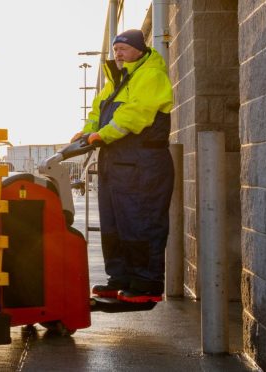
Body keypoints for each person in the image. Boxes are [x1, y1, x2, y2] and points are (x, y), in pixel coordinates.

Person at [71, 29, 174, 303]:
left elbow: (135, 114)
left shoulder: (150, 75)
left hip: (142, 164)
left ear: (139, 50)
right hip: (116, 163)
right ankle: (120, 278)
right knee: (114, 224)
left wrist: (103, 135)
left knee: (140, 221)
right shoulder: (115, 80)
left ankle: (146, 284)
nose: (118, 53)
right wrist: (87, 132)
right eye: (116, 48)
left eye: (124, 48)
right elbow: (97, 112)